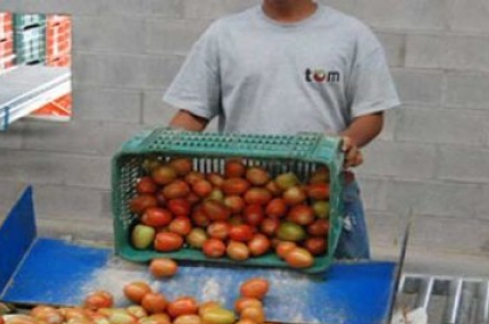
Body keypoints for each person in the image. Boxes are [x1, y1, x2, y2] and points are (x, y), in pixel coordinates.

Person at [163, 0, 400, 260]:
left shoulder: (351, 35)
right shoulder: (224, 34)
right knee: (244, 294)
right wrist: (160, 155)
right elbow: (193, 113)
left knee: (343, 288)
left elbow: (371, 114)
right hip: (244, 200)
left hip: (324, 196)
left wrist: (348, 140)